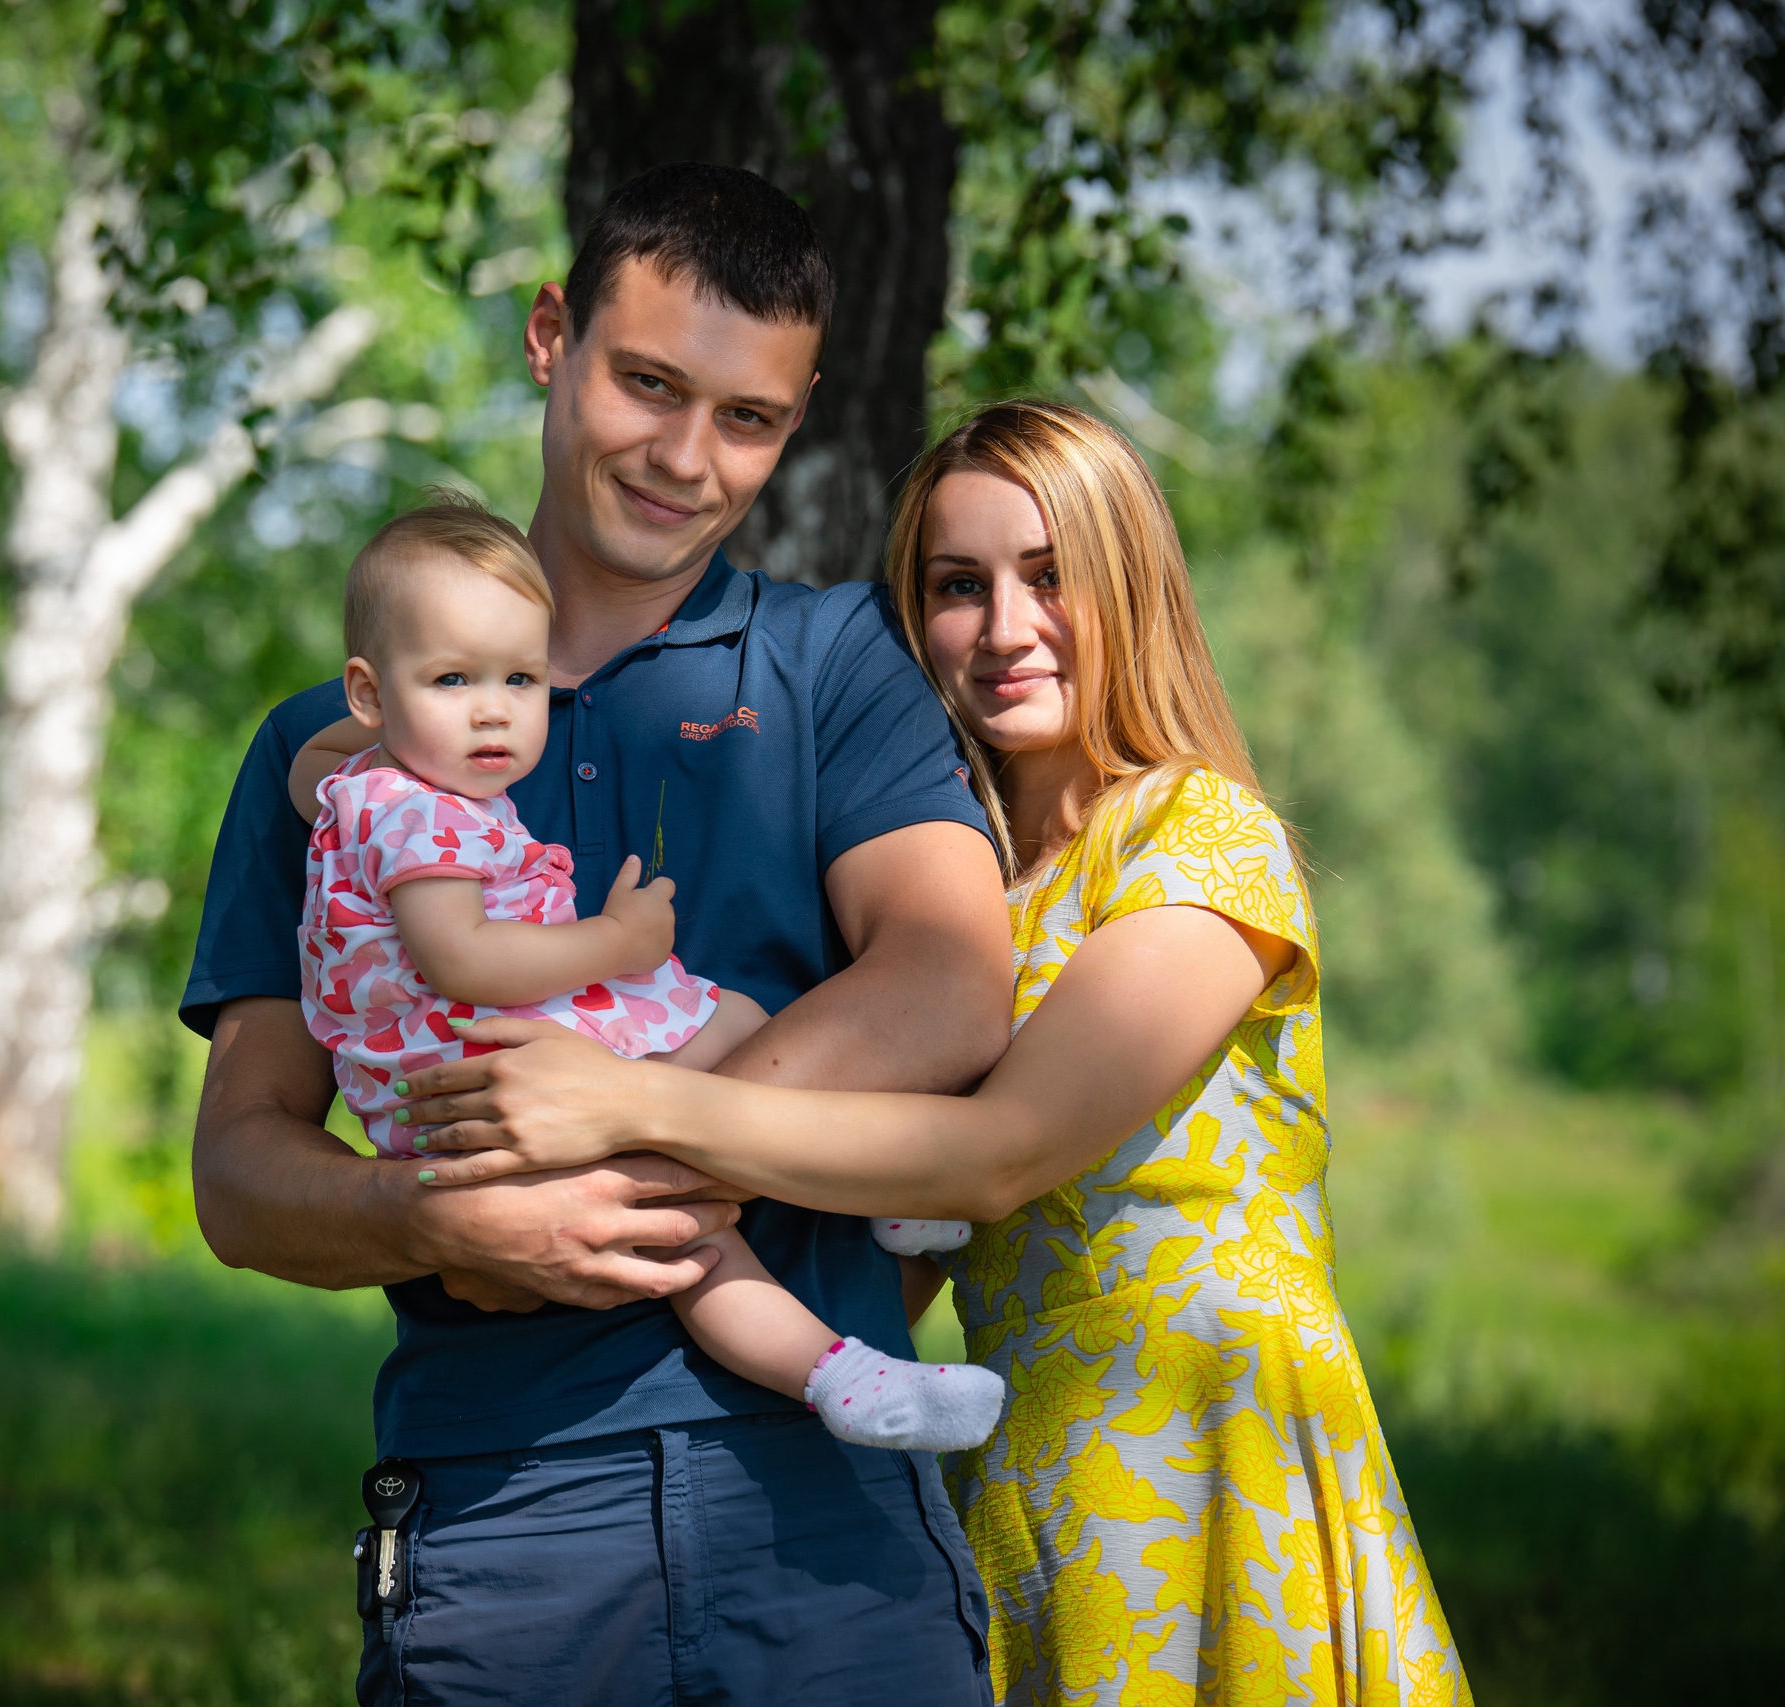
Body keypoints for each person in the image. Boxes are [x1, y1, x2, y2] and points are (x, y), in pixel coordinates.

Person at [397, 400, 1474, 1704]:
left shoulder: (1203, 836)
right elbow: (903, 1251)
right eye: (959, 586)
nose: (1007, 628)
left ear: (1132, 583)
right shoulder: (990, 890)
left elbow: (995, 1156)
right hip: (1029, 1458)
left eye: (1052, 574)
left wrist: (630, 1105)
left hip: (1206, 1440)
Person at [183, 162, 1011, 1705]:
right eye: (649, 383)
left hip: (829, 1486)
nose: (689, 459)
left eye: (750, 418)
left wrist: (645, 1128)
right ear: (550, 335)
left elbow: (952, 981)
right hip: (503, 1508)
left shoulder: (837, 662)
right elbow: (239, 1169)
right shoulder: (340, 753)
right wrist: (433, 1217)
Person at [289, 495, 1005, 1453]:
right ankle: (836, 1371)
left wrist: (376, 732)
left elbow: (315, 776)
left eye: (521, 678)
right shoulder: (421, 814)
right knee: (688, 1233)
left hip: (489, 1049)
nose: (495, 710)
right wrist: (617, 943)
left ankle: (876, 1192)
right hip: (490, 1060)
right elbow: (459, 954)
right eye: (453, 679)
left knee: (740, 1027)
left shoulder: (367, 782)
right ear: (370, 694)